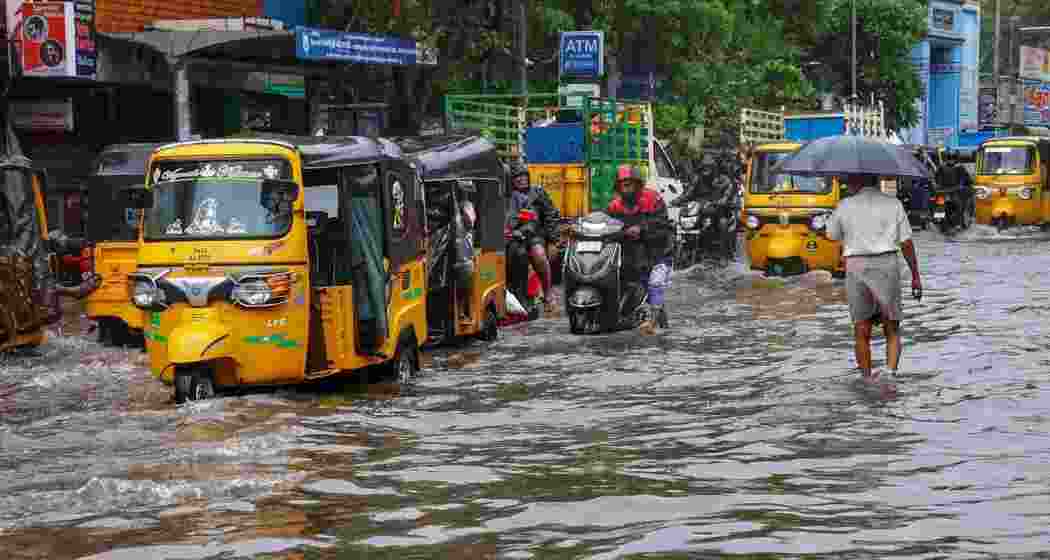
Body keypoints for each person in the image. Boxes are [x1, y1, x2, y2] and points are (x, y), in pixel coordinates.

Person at [826, 173, 923, 382]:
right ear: (877, 180)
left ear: (857, 182)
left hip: (856, 266)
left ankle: (867, 378)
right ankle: (890, 374)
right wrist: (915, 275)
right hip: (886, 264)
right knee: (892, 327)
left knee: (861, 328)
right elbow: (906, 243)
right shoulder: (893, 204)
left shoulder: (844, 205)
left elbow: (831, 235)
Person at [607, 164, 673, 330]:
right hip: (633, 257)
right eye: (623, 184)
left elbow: (663, 225)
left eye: (630, 184)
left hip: (659, 252)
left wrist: (642, 229)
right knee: (647, 290)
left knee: (656, 283)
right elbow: (607, 227)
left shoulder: (653, 199)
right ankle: (660, 323)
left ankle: (652, 324)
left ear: (638, 184)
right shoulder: (614, 206)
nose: (627, 188)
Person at [506, 161, 560, 312]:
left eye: (524, 176)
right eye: (517, 177)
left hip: (535, 236)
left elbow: (552, 214)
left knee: (539, 255)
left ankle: (548, 293)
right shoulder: (507, 196)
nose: (521, 179)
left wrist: (553, 241)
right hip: (514, 239)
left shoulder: (537, 192)